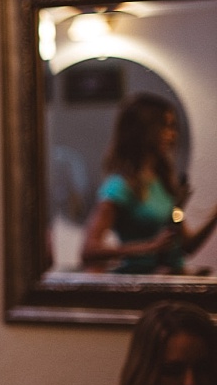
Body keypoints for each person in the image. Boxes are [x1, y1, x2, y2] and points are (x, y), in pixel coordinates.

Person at [81, 92, 217, 274]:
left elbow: (186, 246)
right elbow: (89, 251)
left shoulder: (162, 182)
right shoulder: (120, 187)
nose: (173, 134)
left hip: (172, 283)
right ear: (146, 129)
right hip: (141, 290)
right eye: (166, 126)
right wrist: (149, 247)